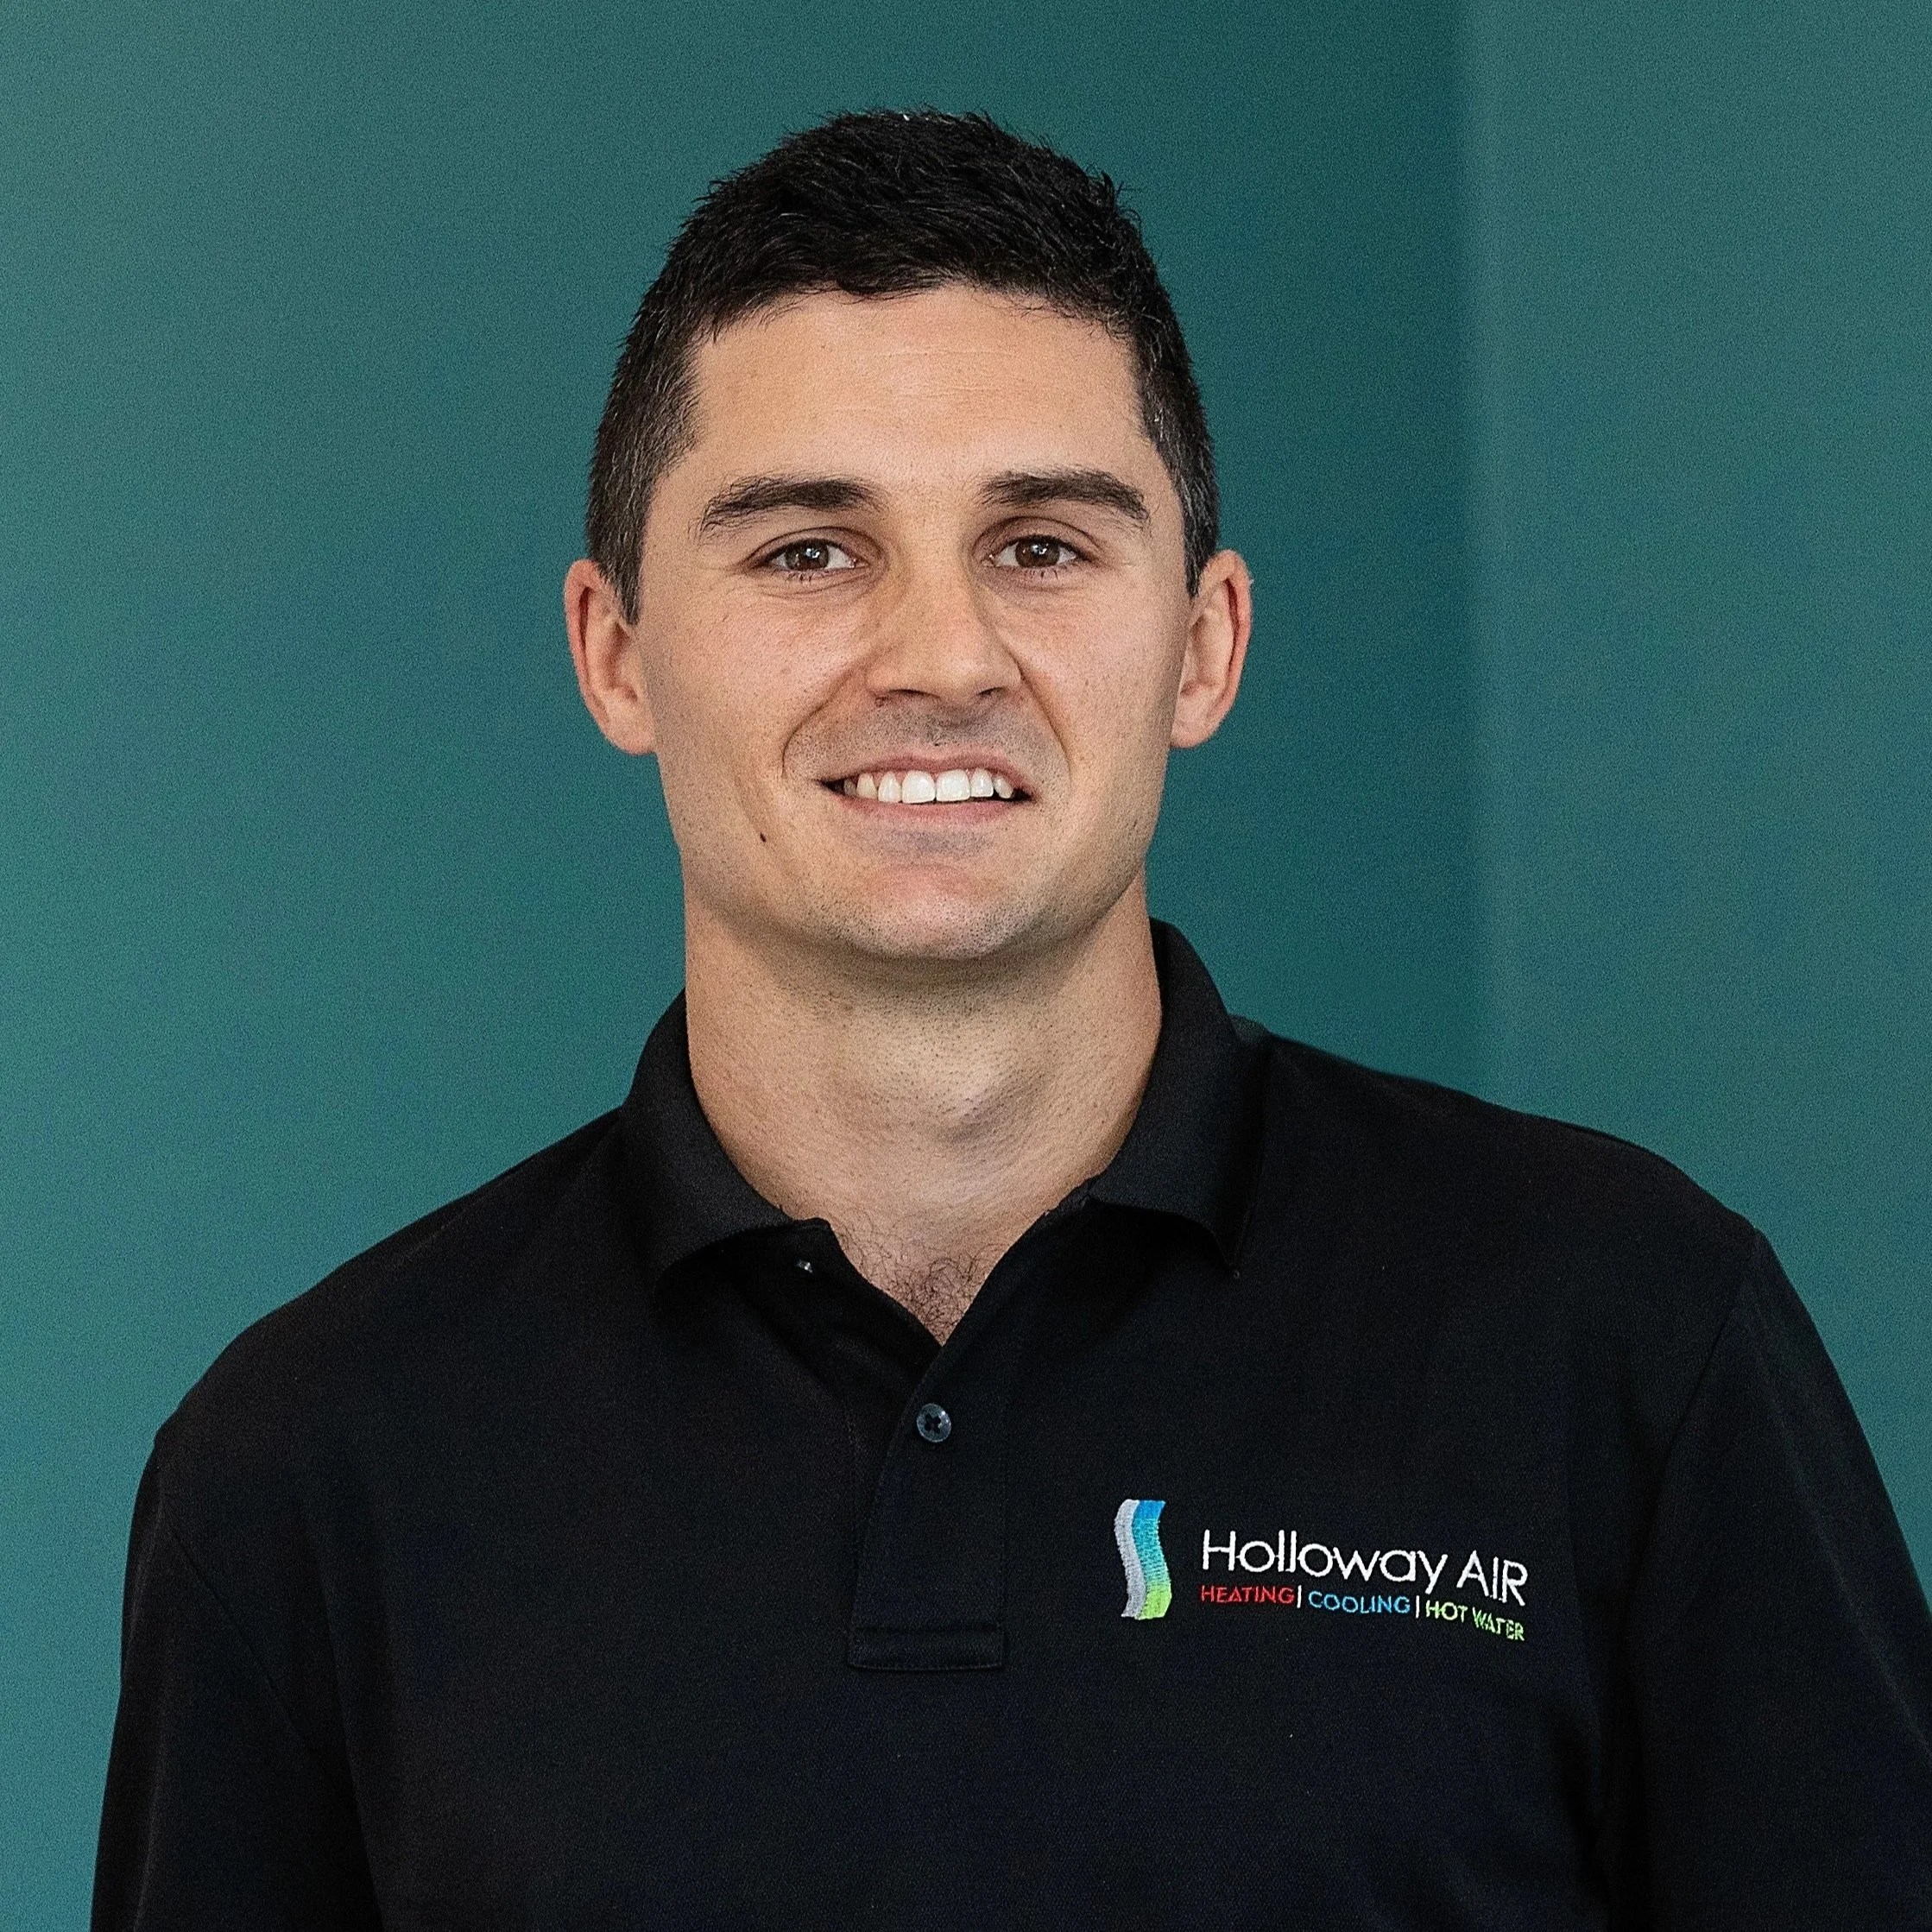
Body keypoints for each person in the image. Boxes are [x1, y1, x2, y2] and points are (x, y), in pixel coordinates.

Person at [93, 109, 1932, 1929]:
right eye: (809, 549)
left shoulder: (1630, 1337)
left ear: (1204, 643)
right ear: (617, 654)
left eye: (1043, 545)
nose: (943, 657)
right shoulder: (310, 1465)